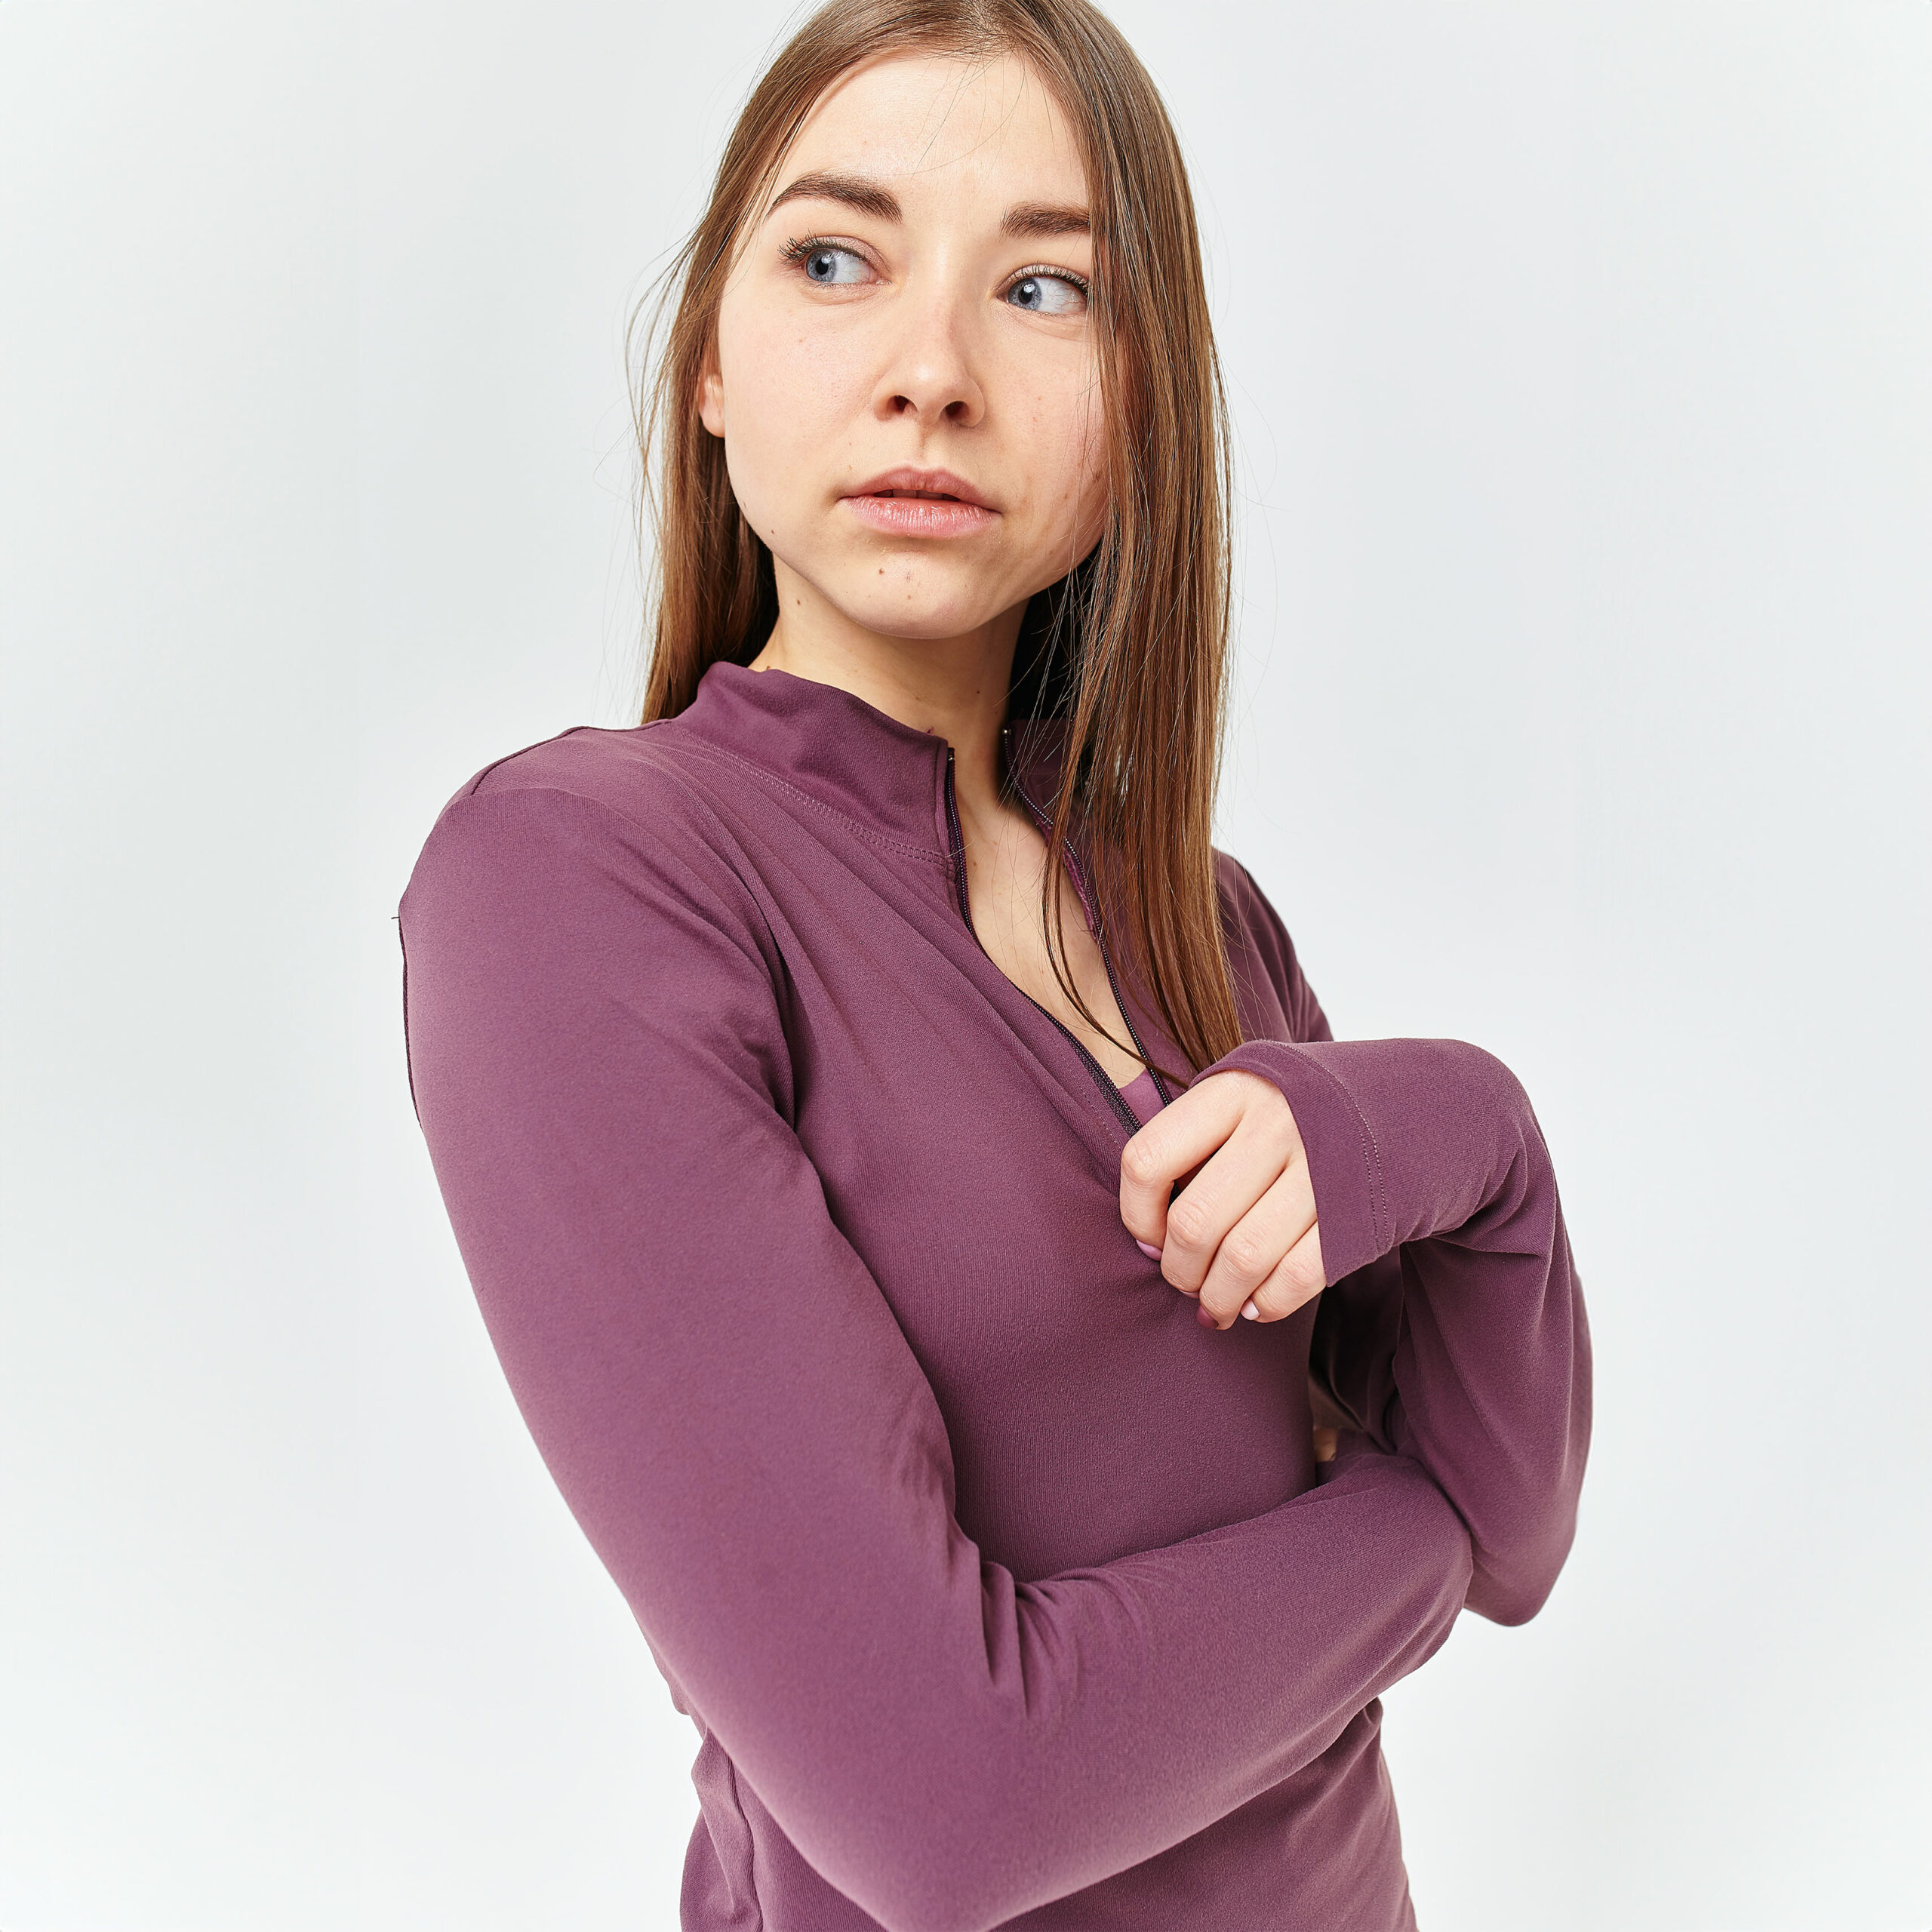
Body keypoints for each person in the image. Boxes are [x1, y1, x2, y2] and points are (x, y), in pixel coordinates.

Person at [396, 2, 1591, 1926]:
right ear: (710, 361)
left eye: (1043, 288)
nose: (930, 374)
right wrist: (1412, 1537)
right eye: (835, 259)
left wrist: (1475, 1127)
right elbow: (947, 1798)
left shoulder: (1201, 917)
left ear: (1138, 415)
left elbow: (1521, 1515)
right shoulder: (578, 882)